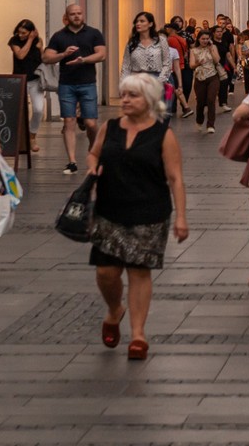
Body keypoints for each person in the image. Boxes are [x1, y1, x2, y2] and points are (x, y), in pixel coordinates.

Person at [87, 72, 187, 361]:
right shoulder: (110, 127)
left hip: (149, 210)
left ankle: (138, 334)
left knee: (139, 271)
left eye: (133, 95)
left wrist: (181, 217)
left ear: (150, 100)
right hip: (109, 208)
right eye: (124, 94)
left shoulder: (162, 134)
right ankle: (115, 309)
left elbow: (175, 178)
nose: (126, 100)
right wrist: (93, 168)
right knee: (106, 272)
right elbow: (94, 154)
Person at [43, 3, 108, 174]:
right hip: (66, 84)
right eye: (73, 14)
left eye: (79, 13)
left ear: (83, 15)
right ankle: (72, 161)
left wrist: (83, 60)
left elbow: (102, 54)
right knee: (69, 121)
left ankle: (93, 153)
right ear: (67, 16)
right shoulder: (59, 36)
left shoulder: (93, 33)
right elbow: (47, 57)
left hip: (88, 83)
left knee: (90, 123)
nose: (77, 16)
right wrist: (63, 55)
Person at [123, 11, 175, 106]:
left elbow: (167, 63)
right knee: (140, 114)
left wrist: (159, 82)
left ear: (150, 24)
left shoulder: (161, 40)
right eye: (137, 21)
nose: (138, 24)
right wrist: (124, 85)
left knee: (161, 114)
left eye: (142, 21)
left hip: (159, 79)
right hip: (138, 82)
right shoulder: (132, 43)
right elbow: (126, 66)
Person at [9, 20, 44, 153]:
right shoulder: (14, 41)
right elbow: (21, 55)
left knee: (38, 109)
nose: (21, 35)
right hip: (19, 80)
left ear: (31, 31)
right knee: (20, 111)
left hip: (35, 80)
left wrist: (40, 48)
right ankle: (19, 140)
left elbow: (43, 59)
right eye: (19, 32)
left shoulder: (38, 40)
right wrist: (29, 40)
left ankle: (32, 137)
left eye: (24, 33)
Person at [188, 29, 223, 134]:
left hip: (213, 76)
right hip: (200, 78)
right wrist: (198, 63)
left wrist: (212, 49)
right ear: (198, 39)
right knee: (200, 102)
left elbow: (217, 60)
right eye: (203, 39)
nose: (205, 41)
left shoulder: (213, 47)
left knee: (211, 100)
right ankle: (199, 120)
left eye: (207, 39)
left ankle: (211, 125)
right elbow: (191, 65)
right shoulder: (193, 50)